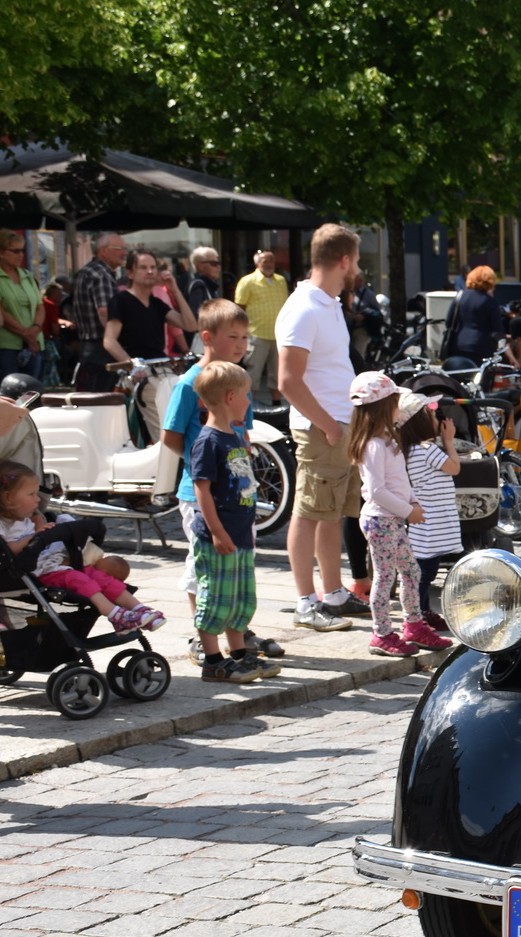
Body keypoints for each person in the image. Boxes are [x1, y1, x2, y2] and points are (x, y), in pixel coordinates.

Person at [160, 297, 286, 666]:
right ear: (207, 337)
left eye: (245, 337)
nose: (241, 344)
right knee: (202, 567)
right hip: (200, 495)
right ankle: (204, 638)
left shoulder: (237, 384)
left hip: (236, 498)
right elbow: (170, 436)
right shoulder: (190, 384)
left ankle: (237, 632)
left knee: (236, 568)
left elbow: (243, 433)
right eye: (233, 336)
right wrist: (203, 465)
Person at [278, 223, 370, 633]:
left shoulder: (327, 303)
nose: (358, 270)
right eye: (357, 261)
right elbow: (288, 380)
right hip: (322, 428)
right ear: (344, 260)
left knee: (330, 514)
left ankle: (332, 592)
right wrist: (329, 425)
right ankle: (306, 601)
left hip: (338, 425)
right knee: (308, 512)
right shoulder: (304, 307)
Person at [185, 361, 279, 683]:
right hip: (219, 536)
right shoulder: (208, 441)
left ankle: (239, 654)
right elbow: (202, 490)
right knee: (216, 598)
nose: (249, 400)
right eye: (246, 395)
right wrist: (216, 531)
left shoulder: (234, 436)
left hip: (239, 534)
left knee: (240, 599)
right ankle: (213, 661)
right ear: (230, 397)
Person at [347, 371, 449, 656]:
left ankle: (413, 625)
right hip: (380, 521)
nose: (398, 407)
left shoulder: (387, 442)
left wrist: (412, 503)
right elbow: (377, 490)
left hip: (393, 519)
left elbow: (399, 481)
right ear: (383, 407)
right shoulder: (374, 446)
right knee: (384, 577)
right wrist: (407, 511)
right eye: (395, 402)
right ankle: (381, 634)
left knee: (411, 571)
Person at [0, 460, 165, 631]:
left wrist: (40, 524)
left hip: (55, 564)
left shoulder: (27, 518)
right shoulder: (1, 525)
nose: (38, 499)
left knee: (99, 576)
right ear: (9, 498)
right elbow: (6, 550)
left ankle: (140, 609)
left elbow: (40, 528)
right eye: (31, 494)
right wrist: (34, 537)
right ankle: (115, 614)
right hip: (37, 572)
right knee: (78, 579)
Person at [103, 249, 196, 443]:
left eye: (153, 267)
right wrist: (133, 364)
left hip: (163, 370)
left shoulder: (156, 303)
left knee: (188, 405)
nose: (150, 271)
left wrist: (175, 290)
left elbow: (190, 325)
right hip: (140, 374)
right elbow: (109, 340)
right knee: (165, 423)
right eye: (143, 267)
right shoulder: (121, 300)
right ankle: (165, 452)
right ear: (130, 273)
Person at [398, 394, 461, 631]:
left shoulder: (412, 449)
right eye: (433, 416)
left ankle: (423, 610)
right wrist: (449, 441)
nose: (437, 420)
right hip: (432, 521)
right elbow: (454, 468)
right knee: (425, 572)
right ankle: (418, 613)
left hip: (427, 518)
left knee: (425, 568)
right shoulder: (427, 449)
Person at [69, 234, 128, 391]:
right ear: (103, 251)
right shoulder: (101, 274)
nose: (124, 253)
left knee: (94, 396)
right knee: (105, 396)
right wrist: (117, 339)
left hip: (89, 345)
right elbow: (104, 311)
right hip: (102, 348)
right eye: (120, 249)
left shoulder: (87, 271)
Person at [234, 250, 291, 404]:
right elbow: (239, 308)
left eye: (271, 261)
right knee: (254, 373)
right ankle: (250, 406)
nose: (269, 264)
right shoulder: (247, 281)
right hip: (256, 333)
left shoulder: (281, 281)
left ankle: (277, 403)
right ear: (257, 263)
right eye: (265, 261)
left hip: (278, 335)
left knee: (277, 372)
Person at [0, 230, 45, 383]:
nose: (21, 255)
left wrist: (35, 329)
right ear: (0, 252)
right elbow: (0, 312)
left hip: (33, 342)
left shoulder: (27, 275)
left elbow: (40, 306)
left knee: (31, 389)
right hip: (7, 345)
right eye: (15, 251)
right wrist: (26, 334)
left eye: (22, 251)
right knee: (7, 389)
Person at [448, 265, 513, 365]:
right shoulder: (489, 301)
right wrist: (510, 355)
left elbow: (448, 321)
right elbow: (498, 330)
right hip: (481, 348)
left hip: (457, 345)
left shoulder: (459, 296)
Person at [185, 247, 223, 321]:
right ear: (200, 266)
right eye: (213, 263)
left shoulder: (210, 285)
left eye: (219, 263)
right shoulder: (198, 286)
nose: (218, 267)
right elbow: (196, 316)